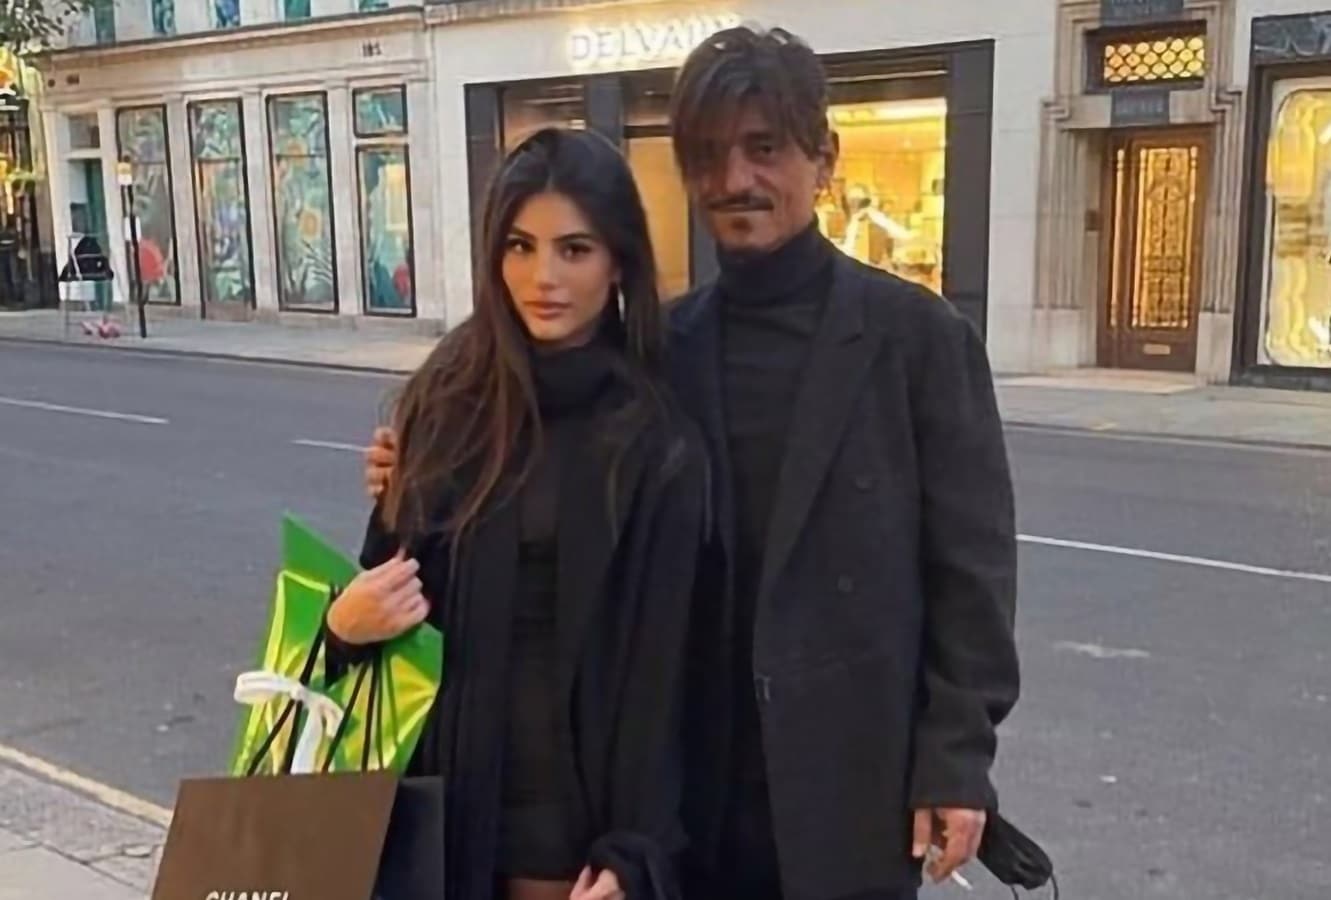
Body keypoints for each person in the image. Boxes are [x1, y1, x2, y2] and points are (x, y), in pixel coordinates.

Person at [368, 25, 1021, 900]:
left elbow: (971, 572)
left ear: (822, 159)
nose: (734, 179)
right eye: (708, 156)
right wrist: (416, 471)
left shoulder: (917, 340)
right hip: (693, 794)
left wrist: (955, 760)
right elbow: (536, 446)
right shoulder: (659, 347)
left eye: (764, 149)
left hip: (848, 782)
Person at [336, 127, 709, 900]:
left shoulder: (652, 439)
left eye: (574, 249)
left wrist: (635, 849)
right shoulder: (449, 396)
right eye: (520, 246)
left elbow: (666, 671)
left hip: (566, 837)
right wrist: (342, 625)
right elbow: (384, 585)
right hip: (434, 812)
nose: (543, 277)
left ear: (617, 261)